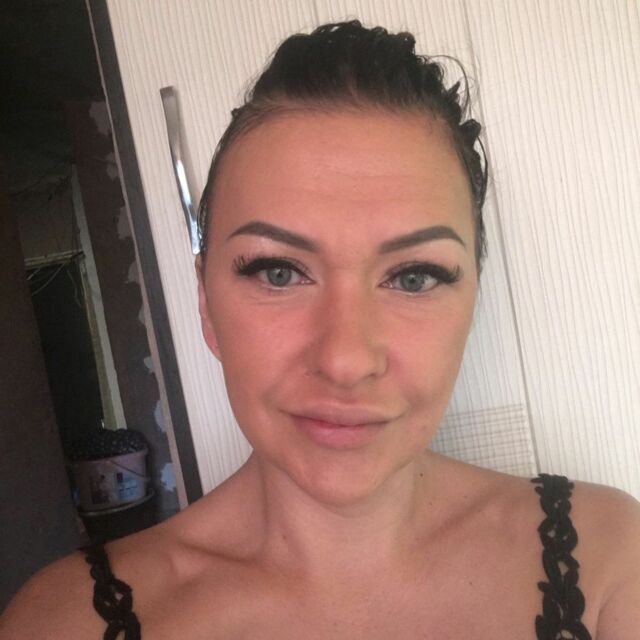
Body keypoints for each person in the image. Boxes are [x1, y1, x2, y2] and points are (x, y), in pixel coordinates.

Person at [1, 19, 639, 640]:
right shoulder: (65, 623)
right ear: (206, 303)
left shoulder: (610, 561)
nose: (344, 360)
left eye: (414, 276)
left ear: (472, 298)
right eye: (278, 272)